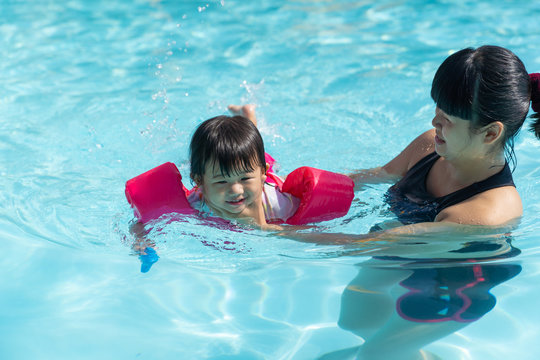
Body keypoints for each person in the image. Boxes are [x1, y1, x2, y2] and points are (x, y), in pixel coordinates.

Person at [186, 105, 299, 230]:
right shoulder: (194, 206)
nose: (236, 191)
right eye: (221, 181)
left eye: (244, 179)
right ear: (199, 181)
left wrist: (262, 226)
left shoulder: (279, 203)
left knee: (251, 153)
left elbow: (314, 237)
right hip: (243, 168)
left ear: (263, 173)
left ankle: (248, 116)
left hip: (263, 179)